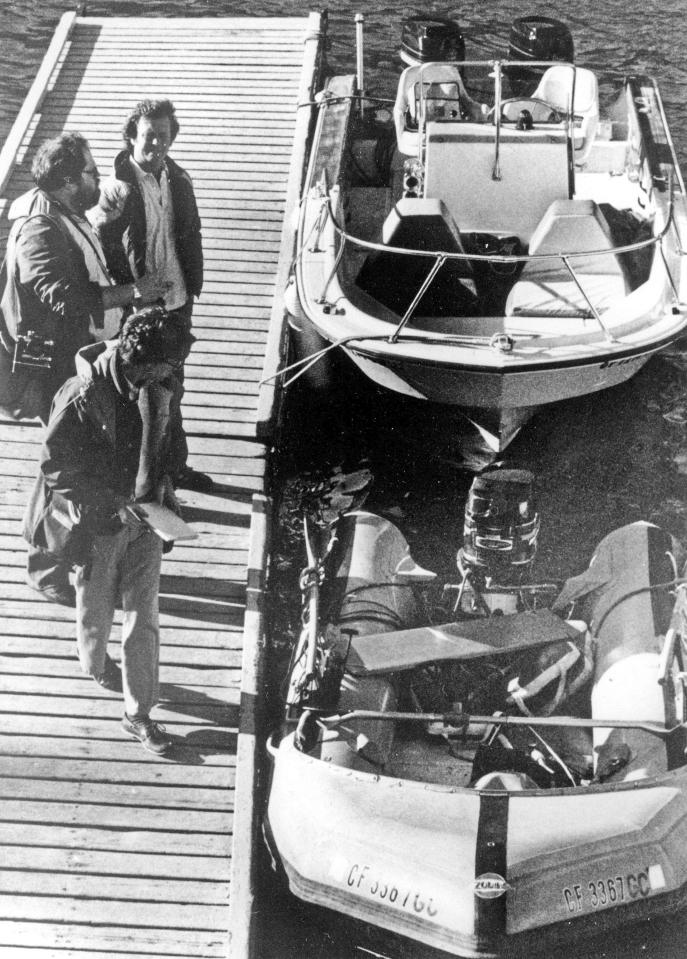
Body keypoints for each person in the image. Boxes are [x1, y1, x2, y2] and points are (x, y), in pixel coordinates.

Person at [1, 132, 170, 606]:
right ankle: (46, 567)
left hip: (75, 357)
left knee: (74, 460)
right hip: (53, 367)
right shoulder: (37, 231)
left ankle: (67, 553)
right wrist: (135, 292)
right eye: (92, 174)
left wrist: (102, 219)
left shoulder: (61, 211)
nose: (100, 178)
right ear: (69, 181)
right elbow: (65, 298)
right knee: (66, 464)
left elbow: (74, 254)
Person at [23, 307, 192, 754]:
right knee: (95, 610)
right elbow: (55, 467)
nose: (172, 373)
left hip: (148, 521)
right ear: (140, 360)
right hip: (99, 524)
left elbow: (168, 446)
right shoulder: (81, 394)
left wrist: (164, 491)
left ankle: (138, 714)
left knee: (144, 616)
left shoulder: (161, 384)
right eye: (166, 365)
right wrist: (113, 505)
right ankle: (94, 664)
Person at [94, 98, 213, 493]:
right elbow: (99, 241)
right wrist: (101, 215)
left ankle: (174, 468)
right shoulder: (114, 188)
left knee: (173, 385)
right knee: (137, 395)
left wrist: (193, 284)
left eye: (164, 136)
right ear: (131, 136)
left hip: (177, 301)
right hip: (138, 309)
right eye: (148, 136)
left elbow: (189, 233)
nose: (157, 144)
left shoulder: (177, 178)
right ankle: (138, 480)